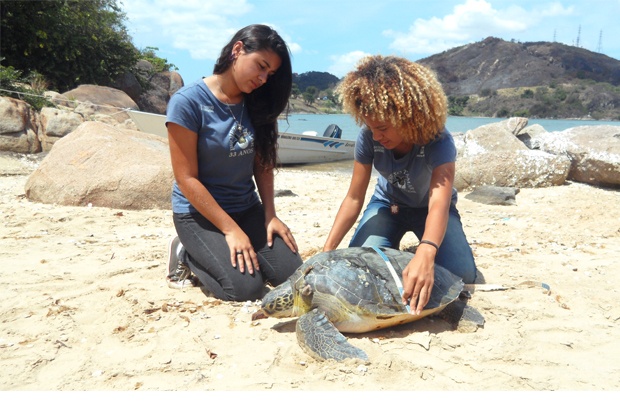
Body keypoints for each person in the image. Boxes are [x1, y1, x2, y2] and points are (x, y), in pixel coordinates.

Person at [323, 55, 477, 315]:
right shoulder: (369, 138)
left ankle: (420, 247)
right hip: (388, 206)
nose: (376, 136)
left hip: (431, 209)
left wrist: (427, 252)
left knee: (462, 275)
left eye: (382, 127)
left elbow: (439, 203)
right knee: (362, 265)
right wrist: (326, 252)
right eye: (370, 128)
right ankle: (406, 249)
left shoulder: (438, 141)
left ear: (410, 117)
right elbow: (353, 198)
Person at [165, 24, 302, 301]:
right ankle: (186, 254)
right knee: (244, 289)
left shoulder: (258, 103)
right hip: (198, 215)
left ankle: (236, 247)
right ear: (238, 50)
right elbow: (186, 178)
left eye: (270, 73)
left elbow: (262, 163)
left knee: (293, 276)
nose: (263, 78)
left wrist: (270, 215)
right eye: (261, 66)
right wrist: (230, 230)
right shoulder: (188, 102)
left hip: (246, 207)